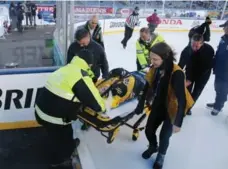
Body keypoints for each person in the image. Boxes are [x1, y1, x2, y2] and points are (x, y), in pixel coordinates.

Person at [35, 50, 106, 169]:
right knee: (65, 134)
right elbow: (97, 104)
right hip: (54, 119)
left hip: (40, 111)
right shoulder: (80, 75)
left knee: (57, 134)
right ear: (89, 64)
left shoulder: (67, 68)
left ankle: (63, 145)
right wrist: (103, 106)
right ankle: (60, 160)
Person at [134, 42, 194, 169]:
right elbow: (147, 85)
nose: (152, 61)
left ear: (165, 57)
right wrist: (141, 103)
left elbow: (182, 99)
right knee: (149, 130)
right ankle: (153, 146)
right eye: (151, 58)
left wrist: (178, 122)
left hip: (173, 108)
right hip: (159, 104)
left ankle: (161, 155)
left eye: (155, 59)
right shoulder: (155, 68)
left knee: (164, 136)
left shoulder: (177, 73)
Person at [179, 34, 214, 115]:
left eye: (197, 46)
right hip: (190, 72)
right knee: (187, 91)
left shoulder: (209, 50)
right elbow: (180, 65)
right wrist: (178, 76)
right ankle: (183, 107)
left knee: (196, 92)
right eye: (193, 45)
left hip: (203, 75)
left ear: (202, 44)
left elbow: (205, 68)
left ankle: (188, 108)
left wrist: (190, 80)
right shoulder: (186, 50)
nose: (194, 48)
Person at [206, 20, 228, 115]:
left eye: (225, 27)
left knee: (222, 89)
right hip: (219, 69)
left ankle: (218, 106)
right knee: (218, 87)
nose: (223, 29)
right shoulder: (223, 38)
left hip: (226, 72)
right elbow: (219, 53)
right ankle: (217, 102)